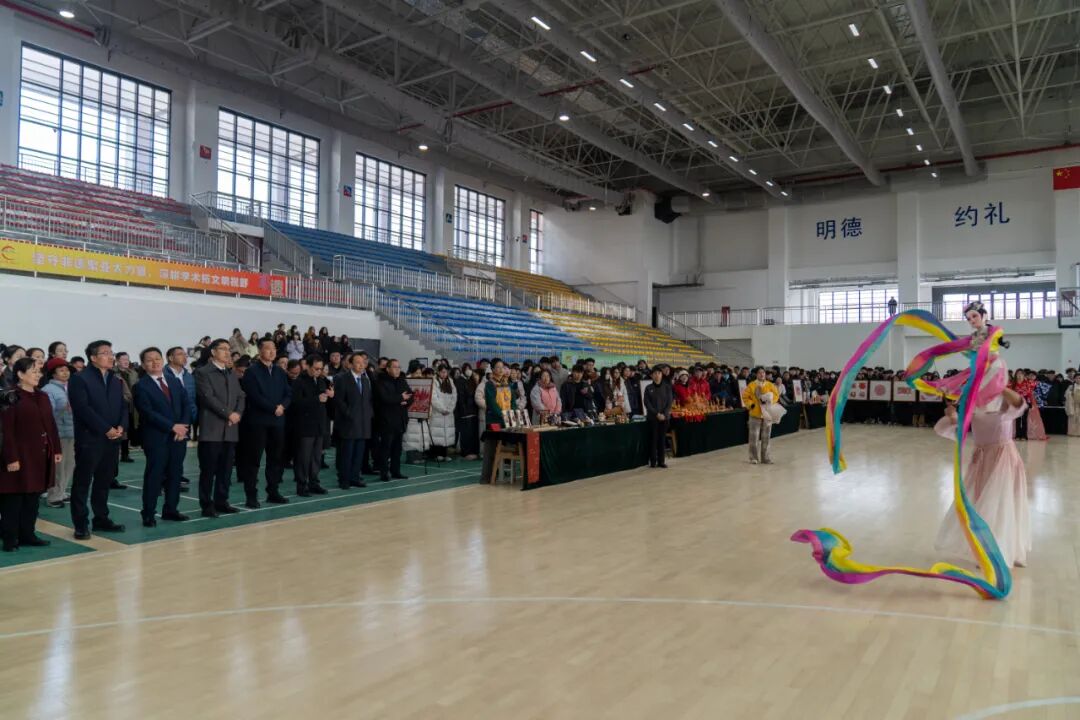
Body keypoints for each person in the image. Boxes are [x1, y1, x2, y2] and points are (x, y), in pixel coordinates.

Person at [934, 306, 1029, 567]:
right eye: (968, 318)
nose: (972, 321)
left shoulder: (1003, 405)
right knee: (983, 504)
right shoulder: (973, 408)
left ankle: (1010, 550)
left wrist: (1000, 387)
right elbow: (951, 430)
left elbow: (1020, 404)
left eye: (974, 316)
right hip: (982, 461)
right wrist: (952, 413)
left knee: (1004, 503)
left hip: (1004, 459)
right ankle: (987, 550)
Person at [68, 340, 128, 539]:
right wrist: (106, 429)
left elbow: (123, 406)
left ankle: (101, 518)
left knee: (104, 481)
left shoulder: (115, 379)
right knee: (82, 482)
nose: (111, 356)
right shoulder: (80, 379)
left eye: (111, 352)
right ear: (93, 358)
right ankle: (80, 524)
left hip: (112, 439)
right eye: (105, 353)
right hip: (90, 439)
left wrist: (121, 426)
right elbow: (82, 409)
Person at [0, 358, 61, 551]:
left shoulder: (42, 396)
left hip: (39, 455)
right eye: (33, 371)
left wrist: (56, 448)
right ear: (20, 374)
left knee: (32, 497)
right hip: (18, 455)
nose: (38, 375)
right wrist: (11, 457)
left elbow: (50, 424)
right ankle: (10, 539)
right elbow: (5, 430)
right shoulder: (10, 396)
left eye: (39, 371)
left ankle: (28, 534)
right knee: (14, 499)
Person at [132, 347, 191, 526]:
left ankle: (171, 510)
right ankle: (148, 513)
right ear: (143, 365)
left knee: (175, 474)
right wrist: (172, 427)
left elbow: (186, 405)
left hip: (178, 437)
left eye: (157, 358)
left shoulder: (174, 381)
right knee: (155, 476)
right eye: (149, 360)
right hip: (156, 438)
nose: (155, 362)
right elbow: (148, 412)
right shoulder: (141, 386)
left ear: (163, 360)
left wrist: (183, 427)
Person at [238, 337, 292, 507]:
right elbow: (254, 395)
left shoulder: (280, 372)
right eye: (268, 348)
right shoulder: (252, 371)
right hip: (258, 422)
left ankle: (273, 492)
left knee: (275, 459)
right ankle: (251, 496)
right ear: (260, 350)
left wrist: (283, 406)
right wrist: (273, 408)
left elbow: (288, 393)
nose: (272, 351)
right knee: (253, 460)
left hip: (277, 421)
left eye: (274, 348)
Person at [194, 339, 244, 517]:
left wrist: (237, 414)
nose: (227, 352)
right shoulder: (203, 372)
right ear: (213, 352)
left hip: (230, 430)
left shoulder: (230, 373)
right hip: (212, 430)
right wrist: (229, 414)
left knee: (226, 470)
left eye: (228, 349)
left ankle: (222, 501)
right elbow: (208, 397)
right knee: (208, 471)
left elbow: (241, 396)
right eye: (223, 349)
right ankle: (207, 505)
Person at [290, 355, 332, 497]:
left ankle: (314, 482)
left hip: (319, 424)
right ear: (307, 366)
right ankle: (302, 485)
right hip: (305, 426)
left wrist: (331, 395)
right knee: (303, 458)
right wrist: (316, 399)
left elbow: (326, 401)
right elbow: (295, 403)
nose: (318, 371)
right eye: (316, 368)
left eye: (320, 369)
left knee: (316, 457)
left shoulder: (321, 380)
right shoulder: (299, 382)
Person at [334, 351, 374, 489]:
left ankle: (355, 477)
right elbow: (339, 400)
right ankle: (344, 479)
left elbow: (368, 400)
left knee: (359, 453)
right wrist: (349, 413)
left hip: (363, 423)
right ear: (350, 364)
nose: (361, 365)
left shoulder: (365, 380)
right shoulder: (342, 378)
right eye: (358, 362)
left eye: (363, 363)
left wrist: (369, 414)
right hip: (349, 423)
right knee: (347, 453)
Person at [41, 358, 75, 508]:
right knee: (58, 467)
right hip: (58, 434)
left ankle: (62, 491)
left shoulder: (71, 386)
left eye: (67, 370)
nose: (65, 373)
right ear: (53, 374)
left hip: (72, 432)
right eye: (61, 370)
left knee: (70, 464)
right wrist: (63, 409)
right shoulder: (48, 390)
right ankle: (54, 496)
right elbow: (48, 414)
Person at [374, 359, 412, 482]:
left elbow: (410, 396)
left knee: (397, 448)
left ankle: (396, 471)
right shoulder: (381, 381)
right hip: (387, 420)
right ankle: (384, 472)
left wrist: (406, 401)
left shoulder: (402, 380)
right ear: (388, 369)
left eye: (399, 367)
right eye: (395, 367)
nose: (397, 369)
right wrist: (400, 398)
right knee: (386, 448)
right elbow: (385, 398)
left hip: (400, 419)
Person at [166, 346, 197, 487]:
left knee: (180, 453)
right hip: (169, 421)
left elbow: (192, 399)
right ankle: (164, 482)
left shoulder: (188, 376)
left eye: (185, 354)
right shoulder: (163, 374)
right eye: (180, 354)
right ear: (170, 358)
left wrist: (191, 416)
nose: (184, 357)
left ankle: (176, 478)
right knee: (166, 455)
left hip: (185, 420)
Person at [741, 367, 780, 465]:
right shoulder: (752, 385)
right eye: (760, 373)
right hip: (755, 414)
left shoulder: (770, 385)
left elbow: (776, 395)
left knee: (766, 437)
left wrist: (771, 400)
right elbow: (745, 397)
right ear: (756, 374)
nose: (762, 374)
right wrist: (751, 405)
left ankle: (765, 458)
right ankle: (753, 458)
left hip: (767, 414)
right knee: (753, 437)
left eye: (763, 372)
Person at [643, 366, 673, 469]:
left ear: (662, 375)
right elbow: (647, 403)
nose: (657, 375)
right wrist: (657, 414)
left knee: (662, 439)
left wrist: (664, 414)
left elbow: (669, 402)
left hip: (665, 418)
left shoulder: (667, 387)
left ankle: (661, 461)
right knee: (653, 439)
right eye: (655, 373)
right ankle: (653, 461)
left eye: (659, 373)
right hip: (653, 418)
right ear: (652, 375)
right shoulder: (648, 388)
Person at [428, 364, 457, 461]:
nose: (444, 374)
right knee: (437, 433)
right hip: (438, 412)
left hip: (448, 413)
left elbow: (454, 396)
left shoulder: (450, 381)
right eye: (442, 372)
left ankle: (445, 454)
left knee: (446, 434)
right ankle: (437, 454)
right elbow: (433, 398)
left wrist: (449, 409)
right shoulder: (434, 381)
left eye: (446, 372)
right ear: (438, 372)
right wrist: (442, 409)